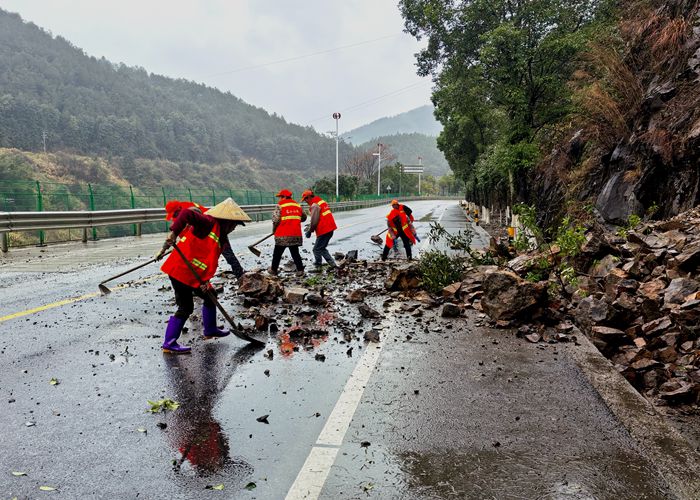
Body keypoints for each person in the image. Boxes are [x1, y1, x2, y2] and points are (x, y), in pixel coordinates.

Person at [157, 198, 251, 354]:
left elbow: (208, 259)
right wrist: (174, 233)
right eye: (234, 225)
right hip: (180, 270)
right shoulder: (207, 223)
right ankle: (169, 343)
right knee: (186, 307)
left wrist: (205, 280)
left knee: (210, 295)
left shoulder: (221, 235)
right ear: (226, 221)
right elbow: (187, 213)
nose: (234, 228)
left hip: (194, 274)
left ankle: (210, 330)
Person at [165, 200, 245, 279]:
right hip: (204, 241)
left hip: (214, 230)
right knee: (202, 261)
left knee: (229, 256)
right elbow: (177, 238)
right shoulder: (179, 222)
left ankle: (240, 276)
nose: (234, 229)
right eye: (234, 226)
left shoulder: (203, 218)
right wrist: (166, 245)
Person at [270, 189, 306, 277]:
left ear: (285, 197)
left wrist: (274, 230)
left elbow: (275, 220)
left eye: (281, 197)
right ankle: (300, 270)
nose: (279, 199)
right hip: (295, 234)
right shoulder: (298, 206)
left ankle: (273, 270)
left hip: (282, 235)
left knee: (277, 254)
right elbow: (304, 217)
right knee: (295, 252)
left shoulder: (280, 206)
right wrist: (294, 220)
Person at [301, 189, 338, 271]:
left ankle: (318, 266)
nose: (306, 201)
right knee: (321, 248)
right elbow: (319, 217)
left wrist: (310, 231)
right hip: (329, 228)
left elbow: (314, 221)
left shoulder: (314, 205)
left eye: (306, 199)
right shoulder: (320, 201)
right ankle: (333, 265)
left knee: (316, 249)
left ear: (309, 197)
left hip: (324, 229)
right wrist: (310, 227)